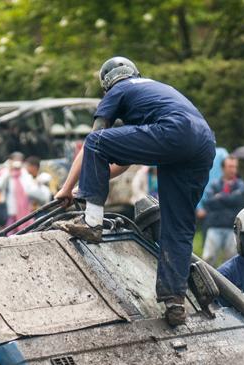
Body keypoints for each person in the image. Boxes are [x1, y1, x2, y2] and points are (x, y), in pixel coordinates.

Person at [54, 57, 216, 326]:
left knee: (96, 141)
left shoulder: (118, 89)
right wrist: (87, 184)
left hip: (173, 132)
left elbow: (93, 142)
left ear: (106, 86)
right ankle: (175, 299)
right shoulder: (153, 91)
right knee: (177, 225)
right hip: (202, 141)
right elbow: (118, 163)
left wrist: (66, 188)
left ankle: (91, 223)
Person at [198, 155, 244, 266]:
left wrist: (220, 197)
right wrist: (229, 199)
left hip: (232, 227)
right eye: (230, 166)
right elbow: (209, 202)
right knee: (208, 259)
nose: (233, 170)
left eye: (235, 167)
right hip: (214, 225)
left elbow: (239, 200)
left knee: (232, 261)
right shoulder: (214, 184)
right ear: (223, 168)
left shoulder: (240, 184)